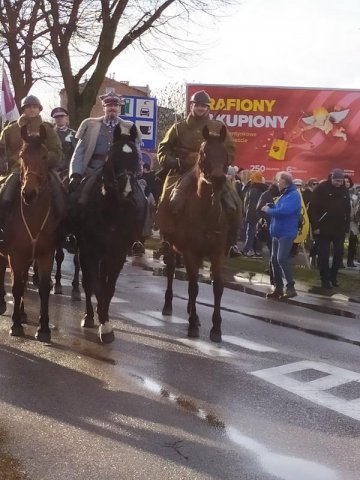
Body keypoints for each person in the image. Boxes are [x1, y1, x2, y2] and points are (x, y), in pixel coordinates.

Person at [156, 89, 239, 255]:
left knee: (233, 201)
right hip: (182, 170)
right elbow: (162, 150)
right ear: (192, 106)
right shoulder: (178, 128)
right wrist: (175, 161)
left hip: (211, 172)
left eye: (203, 105)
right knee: (167, 197)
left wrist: (220, 164)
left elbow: (230, 150)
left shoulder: (218, 127)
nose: (200, 108)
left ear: (208, 108)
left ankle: (231, 241)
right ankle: (166, 238)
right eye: (197, 105)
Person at [68, 91, 144, 252]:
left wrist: (137, 169)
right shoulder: (90, 124)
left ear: (119, 108)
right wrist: (76, 173)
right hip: (95, 168)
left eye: (115, 106)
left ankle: (136, 237)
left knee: (141, 199)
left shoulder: (129, 127)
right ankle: (72, 234)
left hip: (120, 172)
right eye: (109, 106)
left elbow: (136, 151)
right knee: (79, 196)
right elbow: (79, 152)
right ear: (103, 107)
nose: (112, 109)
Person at [0, 94, 65, 235]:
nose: (32, 110)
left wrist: (43, 161)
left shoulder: (47, 129)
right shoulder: (10, 129)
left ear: (39, 109)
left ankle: (63, 233)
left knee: (61, 196)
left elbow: (57, 151)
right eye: (28, 107)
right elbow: (1, 151)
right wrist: (3, 163)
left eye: (35, 107)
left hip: (44, 169)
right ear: (23, 109)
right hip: (17, 169)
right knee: (5, 196)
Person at [261, 171, 301, 299]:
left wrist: (269, 210)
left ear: (284, 182)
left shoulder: (293, 195)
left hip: (286, 232)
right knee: (274, 260)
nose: (277, 183)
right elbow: (282, 208)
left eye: (278, 181)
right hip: (278, 232)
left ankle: (290, 287)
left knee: (281, 259)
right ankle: (278, 288)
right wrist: (273, 206)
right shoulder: (285, 194)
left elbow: (284, 211)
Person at [308, 168, 350, 289]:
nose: (339, 183)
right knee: (324, 255)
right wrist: (315, 226)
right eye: (336, 180)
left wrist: (346, 227)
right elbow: (313, 209)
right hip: (323, 228)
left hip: (339, 228)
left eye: (341, 181)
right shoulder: (321, 188)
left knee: (339, 253)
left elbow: (347, 209)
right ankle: (324, 278)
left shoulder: (344, 190)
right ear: (331, 178)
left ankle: (333, 276)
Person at [242, 171, 267, 257]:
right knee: (257, 233)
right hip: (259, 214)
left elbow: (249, 202)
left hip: (252, 214)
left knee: (250, 232)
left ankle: (247, 249)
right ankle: (257, 250)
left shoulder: (253, 189)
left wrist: (247, 213)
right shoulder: (263, 189)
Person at [51, 107, 77, 176]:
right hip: (56, 169)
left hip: (72, 167)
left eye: (62, 116)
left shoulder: (74, 134)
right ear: (54, 119)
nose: (59, 119)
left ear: (66, 118)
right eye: (57, 117)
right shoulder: (51, 134)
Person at [344, 175, 359, 268]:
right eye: (345, 181)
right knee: (339, 241)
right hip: (341, 221)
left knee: (353, 240)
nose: (346, 183)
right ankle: (339, 262)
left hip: (352, 221)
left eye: (348, 182)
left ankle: (350, 261)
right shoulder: (339, 193)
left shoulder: (355, 195)